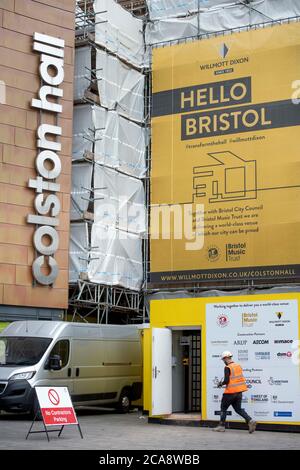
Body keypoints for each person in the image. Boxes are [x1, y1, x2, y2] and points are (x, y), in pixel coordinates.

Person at [213, 351, 257, 433]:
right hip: (239, 392)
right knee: (238, 409)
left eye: (223, 360)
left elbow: (226, 380)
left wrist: (220, 384)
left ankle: (221, 426)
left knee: (223, 408)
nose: (223, 361)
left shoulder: (228, 367)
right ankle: (250, 420)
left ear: (226, 358)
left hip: (230, 392)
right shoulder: (238, 366)